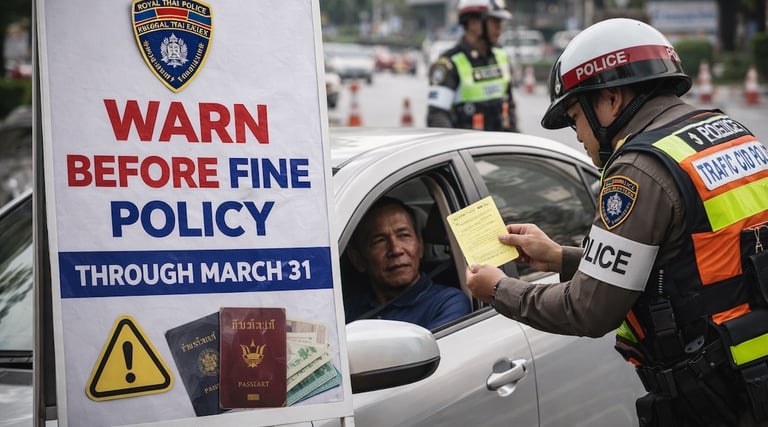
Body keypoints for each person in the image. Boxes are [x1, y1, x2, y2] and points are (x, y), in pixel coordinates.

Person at [465, 18, 768, 427]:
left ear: (610, 99)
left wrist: (499, 289)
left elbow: (588, 311)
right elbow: (689, 262)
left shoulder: (636, 172)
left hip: (717, 392)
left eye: (575, 116)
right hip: (752, 369)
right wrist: (560, 258)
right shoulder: (730, 132)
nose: (577, 134)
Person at [345, 196, 472, 330]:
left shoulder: (447, 303)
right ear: (357, 259)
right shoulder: (347, 309)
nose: (395, 250)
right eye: (379, 240)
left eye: (404, 235)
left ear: (420, 246)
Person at [426, 0, 518, 132]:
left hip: (501, 149)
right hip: (468, 150)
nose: (499, 27)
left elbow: (509, 107)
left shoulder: (502, 57)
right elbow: (437, 116)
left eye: (501, 21)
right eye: (494, 21)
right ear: (473, 22)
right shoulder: (448, 64)